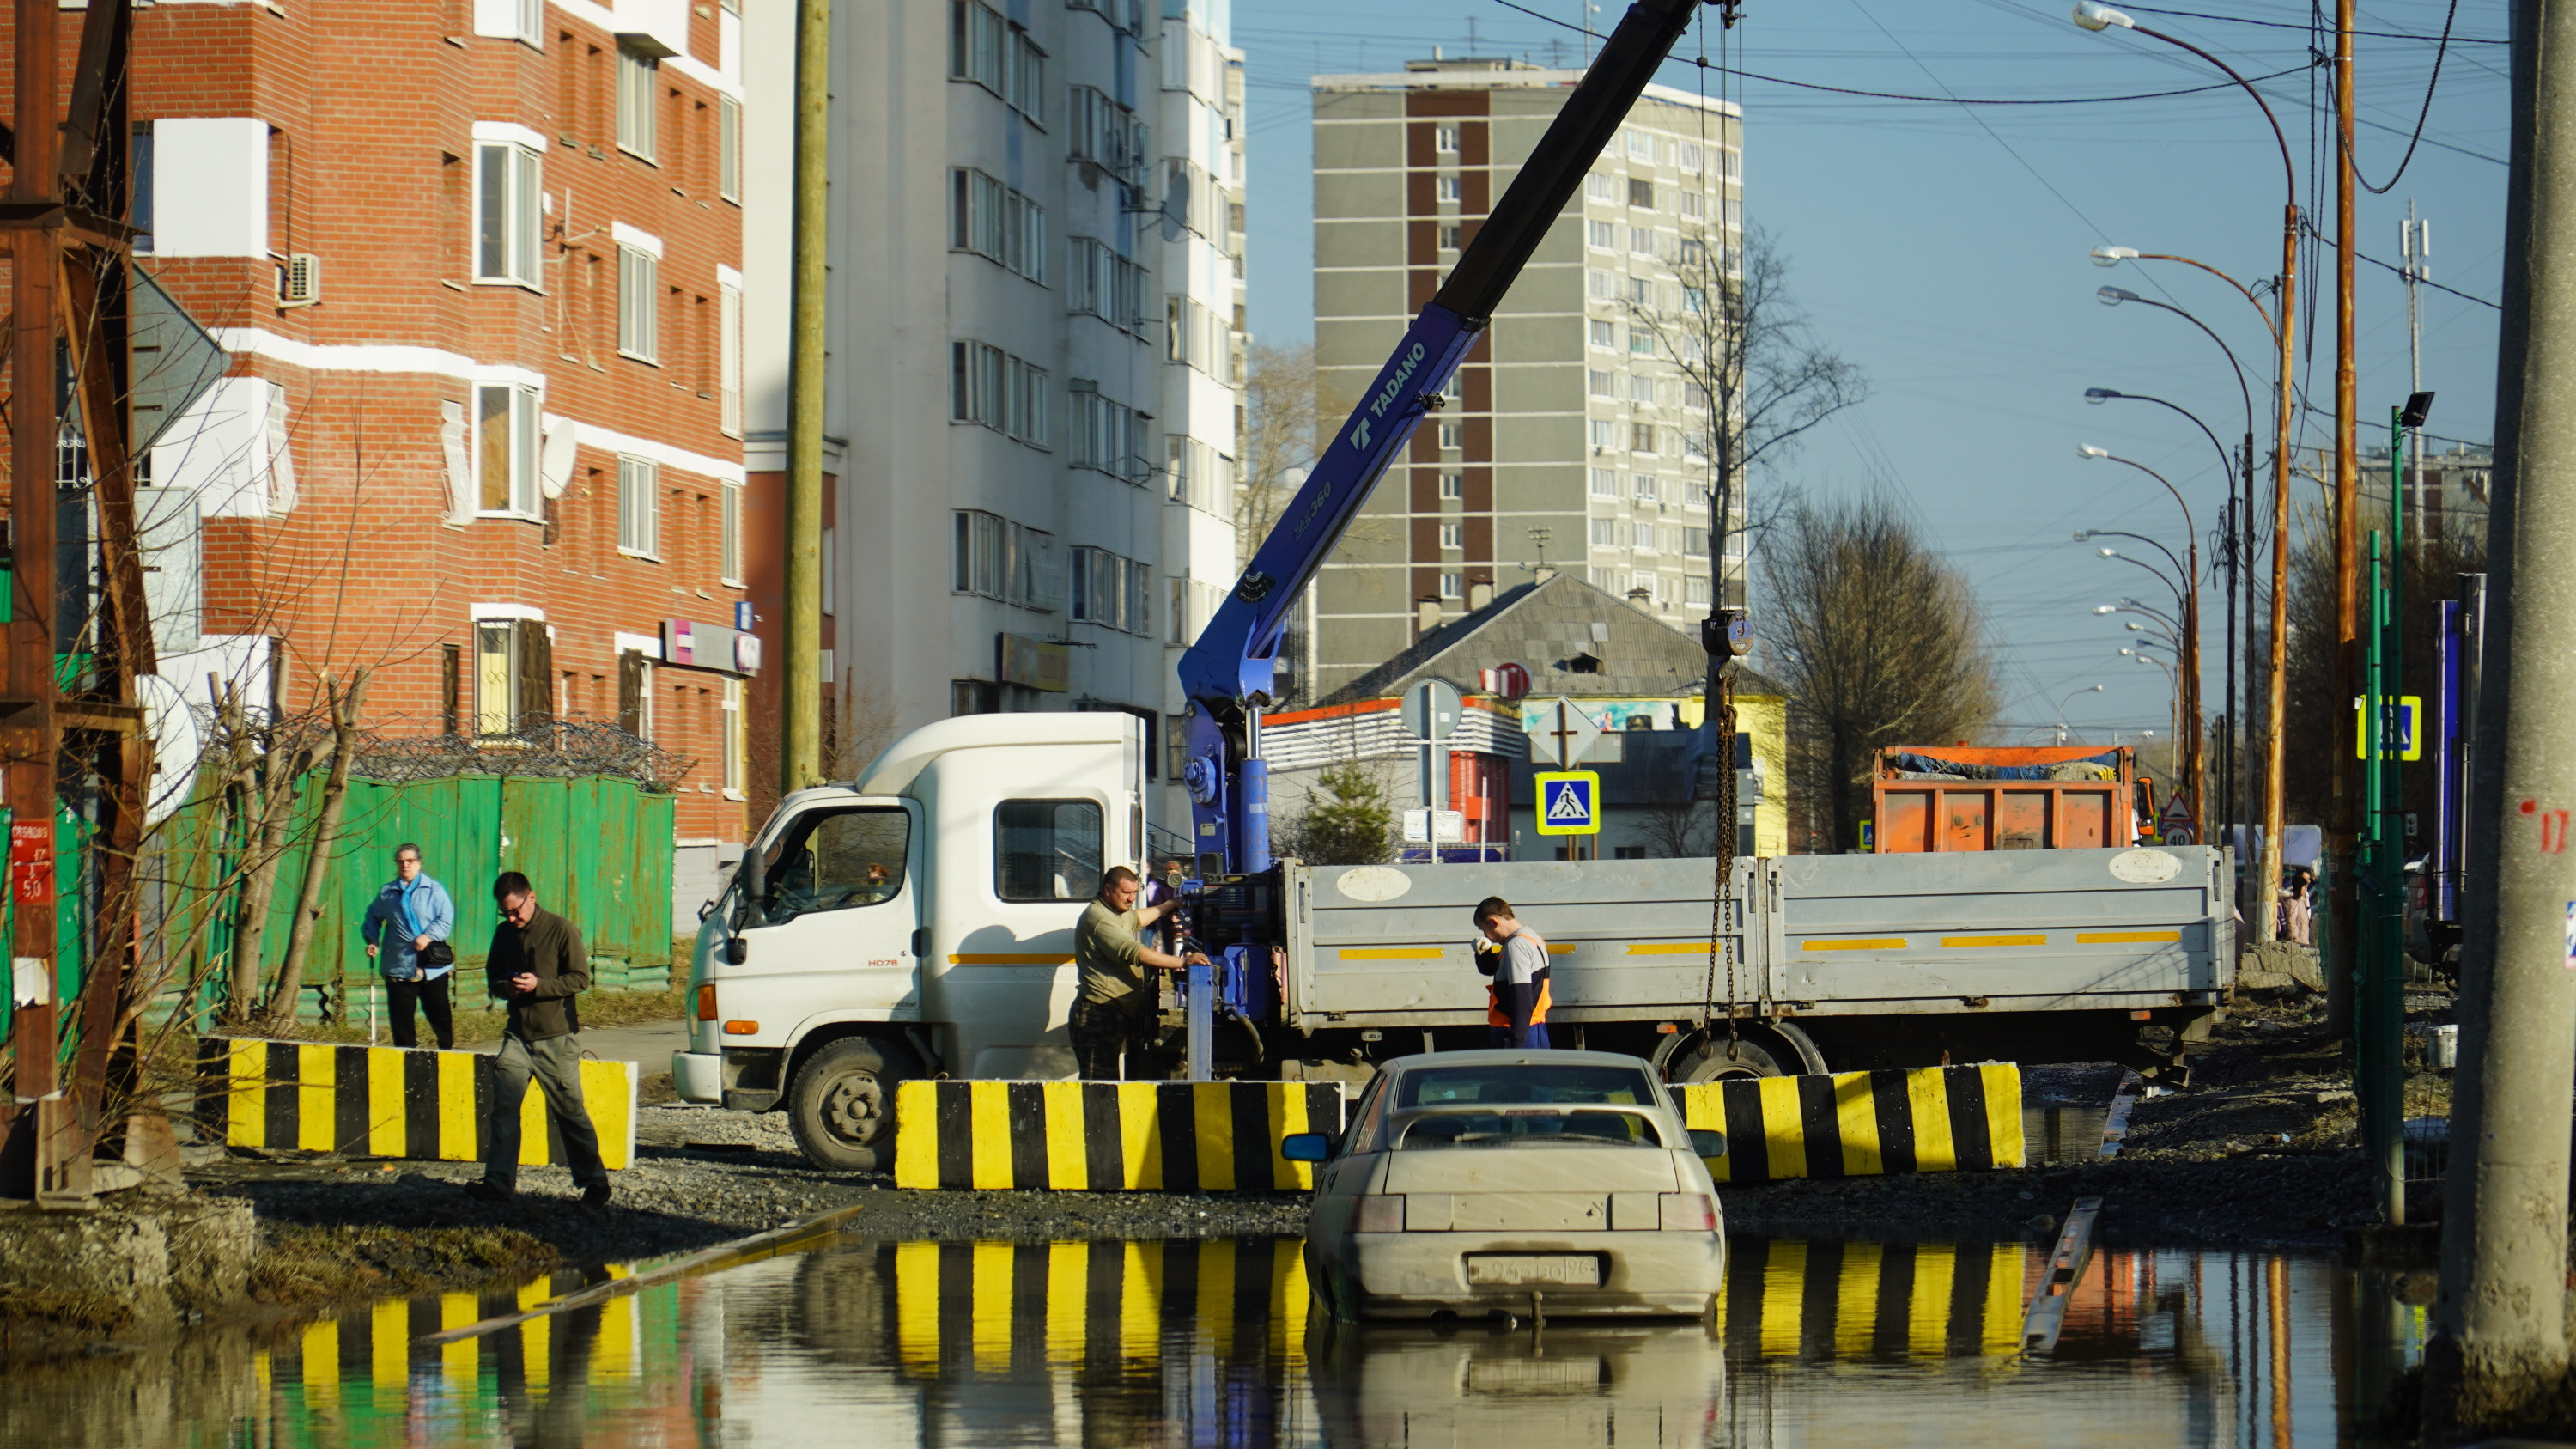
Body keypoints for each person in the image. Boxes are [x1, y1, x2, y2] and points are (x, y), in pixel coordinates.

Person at [468, 872, 611, 1209]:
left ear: (531, 897)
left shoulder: (562, 929)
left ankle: (596, 1183)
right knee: (503, 1108)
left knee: (570, 1112)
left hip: (557, 1038)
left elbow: (580, 979)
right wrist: (508, 987)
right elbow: (493, 979)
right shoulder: (504, 935)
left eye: (516, 911)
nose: (512, 919)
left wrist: (539, 986)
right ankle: (498, 1183)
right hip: (517, 1037)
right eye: (506, 914)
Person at [1070, 865, 1208, 1080]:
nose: (1131, 899)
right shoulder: (1099, 919)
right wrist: (1183, 961)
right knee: (1099, 1086)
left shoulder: (1114, 912)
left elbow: (1137, 918)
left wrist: (1168, 905)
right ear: (1108, 890)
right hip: (1098, 1013)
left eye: (1135, 892)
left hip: (1114, 1010)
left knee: (1112, 1082)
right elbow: (1136, 952)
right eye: (1126, 893)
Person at [361, 843, 457, 1049]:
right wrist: (372, 940)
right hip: (399, 964)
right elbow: (372, 916)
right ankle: (406, 1061)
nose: (405, 865)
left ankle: (447, 1052)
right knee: (401, 1019)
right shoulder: (387, 892)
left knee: (439, 1013)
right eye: (401, 861)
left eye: (410, 861)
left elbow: (445, 919)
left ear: (419, 863)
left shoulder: (433, 889)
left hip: (431, 966)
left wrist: (428, 936)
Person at [1473, 896, 1552, 1049]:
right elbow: (1491, 969)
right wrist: (1483, 952)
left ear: (1493, 922)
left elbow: (1522, 998)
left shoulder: (1516, 947)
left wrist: (1517, 1045)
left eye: (1484, 930)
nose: (1486, 936)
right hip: (1532, 1028)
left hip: (1515, 1031)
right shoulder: (1530, 937)